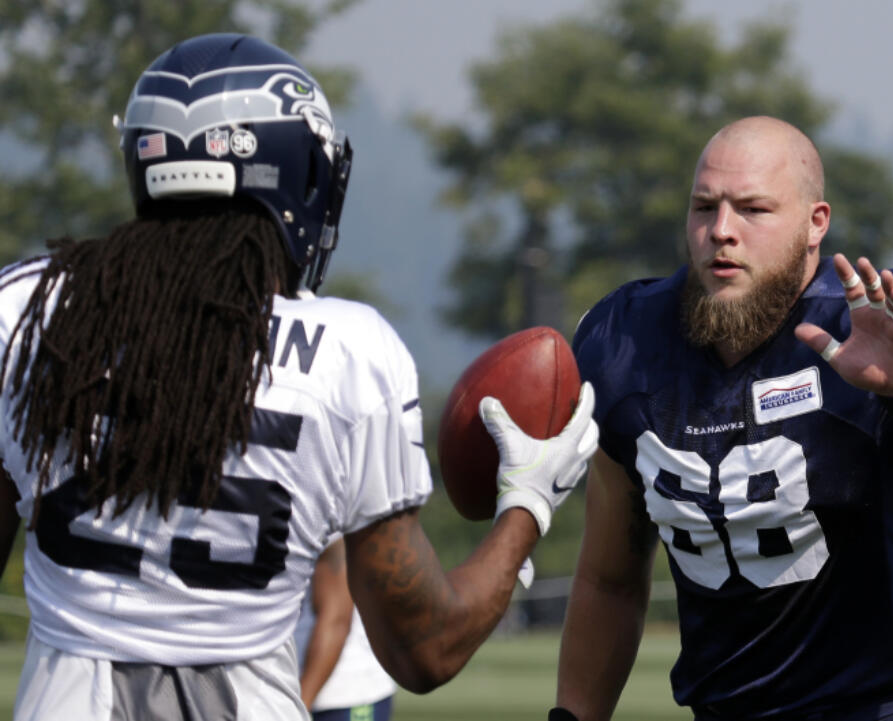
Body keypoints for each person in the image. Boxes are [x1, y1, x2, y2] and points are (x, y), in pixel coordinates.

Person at [0, 33, 597, 720]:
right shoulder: (348, 351)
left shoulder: (26, 312)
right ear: (300, 180)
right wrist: (527, 504)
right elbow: (424, 648)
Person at [553, 116, 893, 721]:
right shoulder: (623, 340)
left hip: (879, 705)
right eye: (704, 207)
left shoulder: (880, 318)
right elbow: (609, 579)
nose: (721, 232)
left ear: (816, 224)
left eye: (753, 209)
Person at [294, 538, 396, 720]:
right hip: (289, 686)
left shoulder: (325, 515)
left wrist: (297, 707)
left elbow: (336, 621)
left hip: (344, 692)